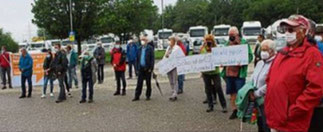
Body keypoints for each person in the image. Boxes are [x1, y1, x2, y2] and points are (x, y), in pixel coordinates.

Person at [265, 15, 323, 132]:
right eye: (285, 30)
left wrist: (294, 110)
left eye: (291, 30)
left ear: (303, 31)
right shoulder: (282, 53)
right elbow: (270, 79)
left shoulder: (312, 54)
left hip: (293, 122)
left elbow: (315, 89)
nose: (287, 33)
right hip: (276, 118)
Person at [221, 26, 253, 120]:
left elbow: (250, 56)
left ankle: (242, 110)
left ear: (237, 34)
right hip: (229, 72)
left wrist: (243, 62)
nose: (231, 37)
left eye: (232, 35)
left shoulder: (244, 43)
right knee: (232, 92)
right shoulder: (227, 44)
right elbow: (222, 56)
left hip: (239, 73)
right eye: (229, 35)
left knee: (241, 92)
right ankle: (234, 110)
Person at [248, 40, 276, 132]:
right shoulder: (260, 63)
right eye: (262, 50)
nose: (263, 52)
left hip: (267, 99)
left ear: (272, 51)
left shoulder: (275, 64)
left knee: (267, 124)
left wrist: (257, 93)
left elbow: (271, 83)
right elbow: (253, 77)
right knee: (259, 122)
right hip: (256, 99)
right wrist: (249, 88)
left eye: (265, 50)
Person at [200, 34, 227, 113]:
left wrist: (211, 49)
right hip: (206, 72)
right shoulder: (202, 49)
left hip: (215, 72)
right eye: (207, 40)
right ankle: (210, 105)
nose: (208, 42)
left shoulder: (216, 49)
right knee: (208, 89)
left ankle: (224, 105)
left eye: (210, 41)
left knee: (218, 88)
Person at [132, 36, 155, 101]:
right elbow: (137, 59)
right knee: (139, 83)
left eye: (144, 40)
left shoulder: (150, 48)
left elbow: (152, 59)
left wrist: (151, 68)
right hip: (141, 68)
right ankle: (137, 95)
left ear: (147, 41)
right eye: (142, 40)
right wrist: (136, 68)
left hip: (147, 68)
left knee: (148, 82)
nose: (142, 41)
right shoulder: (139, 49)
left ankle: (148, 95)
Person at [164, 36, 184, 101]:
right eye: (169, 40)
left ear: (174, 41)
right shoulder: (168, 48)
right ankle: (173, 91)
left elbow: (180, 56)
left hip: (174, 67)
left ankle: (175, 93)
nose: (169, 41)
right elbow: (165, 56)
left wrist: (170, 56)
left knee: (174, 80)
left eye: (170, 40)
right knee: (170, 80)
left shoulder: (177, 48)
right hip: (168, 66)